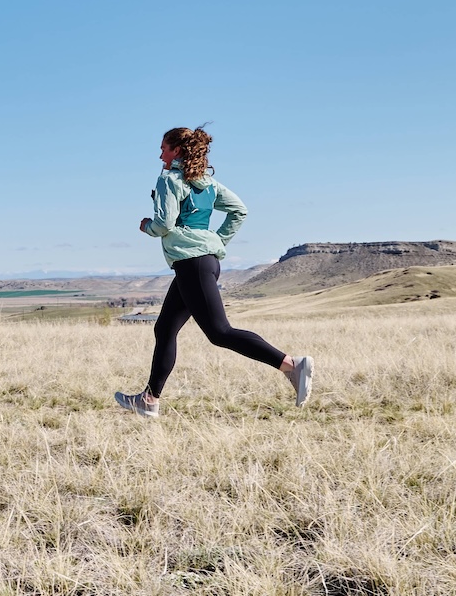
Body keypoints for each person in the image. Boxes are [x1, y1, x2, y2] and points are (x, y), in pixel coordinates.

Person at [115, 126, 313, 418]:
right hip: (200, 262)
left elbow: (165, 224)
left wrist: (147, 226)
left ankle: (291, 365)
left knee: (220, 332)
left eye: (164, 149)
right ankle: (149, 400)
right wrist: (218, 240)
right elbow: (239, 211)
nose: (160, 155)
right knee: (165, 328)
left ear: (177, 151)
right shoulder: (207, 183)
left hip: (193, 263)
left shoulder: (170, 179)